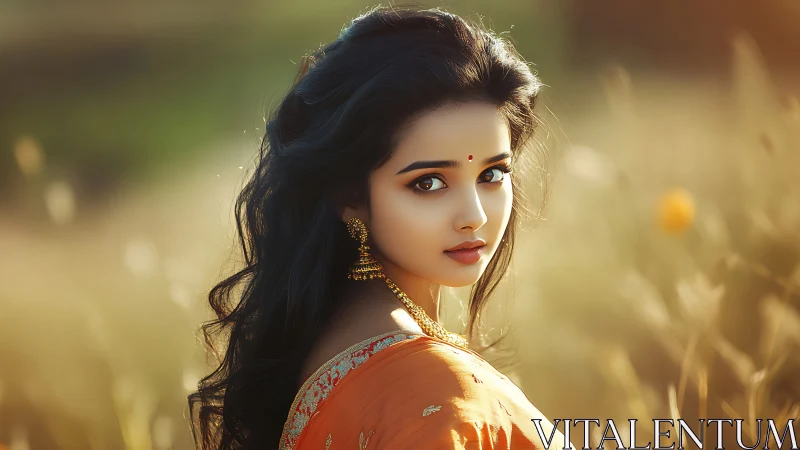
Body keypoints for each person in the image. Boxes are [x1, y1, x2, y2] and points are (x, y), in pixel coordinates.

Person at [188, 5, 572, 450]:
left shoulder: (328, 334)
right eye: (428, 183)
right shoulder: (436, 399)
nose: (475, 215)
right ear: (350, 197)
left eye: (492, 174)